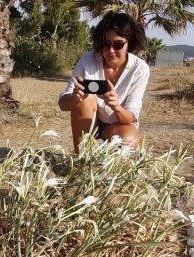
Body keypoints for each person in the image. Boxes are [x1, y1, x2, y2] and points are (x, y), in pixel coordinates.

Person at [58, 12, 150, 152]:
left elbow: (130, 118)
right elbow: (63, 104)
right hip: (89, 120)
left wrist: (116, 106)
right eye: (105, 44)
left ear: (129, 42)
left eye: (118, 44)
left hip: (118, 124)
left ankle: (108, 166)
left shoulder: (139, 68)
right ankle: (81, 158)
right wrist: (74, 98)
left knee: (129, 139)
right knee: (85, 99)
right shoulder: (88, 60)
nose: (111, 51)